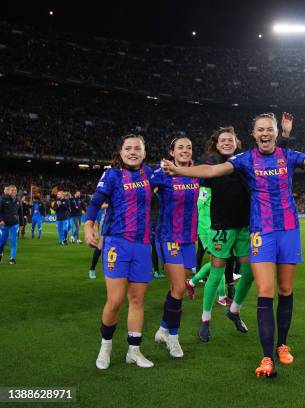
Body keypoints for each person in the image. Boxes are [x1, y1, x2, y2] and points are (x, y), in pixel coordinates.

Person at [161, 112, 305, 378]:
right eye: (260, 129)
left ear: (275, 133)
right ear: (253, 134)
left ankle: (282, 344)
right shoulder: (246, 159)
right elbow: (212, 170)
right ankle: (267, 357)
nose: (265, 133)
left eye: (269, 129)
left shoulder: (288, 155)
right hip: (262, 233)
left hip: (289, 230)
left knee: (285, 289)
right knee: (265, 292)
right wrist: (179, 170)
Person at [186, 115, 293, 343]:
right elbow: (196, 175)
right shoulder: (212, 164)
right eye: (223, 140)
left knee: (249, 273)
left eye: (231, 139)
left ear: (237, 142)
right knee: (216, 273)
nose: (227, 142)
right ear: (216, 144)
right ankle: (205, 320)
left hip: (247, 226)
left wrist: (284, 134)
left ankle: (234, 310)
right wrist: (179, 167)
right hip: (221, 227)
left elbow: (275, 153)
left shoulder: (246, 161)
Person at [84, 134, 156, 370]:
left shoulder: (153, 174)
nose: (133, 152)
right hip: (117, 243)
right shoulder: (112, 175)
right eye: (128, 148)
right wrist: (88, 226)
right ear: (121, 152)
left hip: (143, 244)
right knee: (115, 300)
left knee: (137, 299)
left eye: (138, 148)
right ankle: (106, 346)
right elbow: (95, 203)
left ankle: (133, 351)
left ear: (144, 153)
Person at [152, 137, 200, 359]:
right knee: (179, 287)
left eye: (188, 147)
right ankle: (173, 338)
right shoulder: (163, 173)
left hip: (189, 238)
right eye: (180, 147)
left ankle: (162, 328)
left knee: (177, 286)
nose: (185, 150)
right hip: (168, 236)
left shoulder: (197, 172)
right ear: (171, 152)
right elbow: (145, 187)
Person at [0, 185, 22, 264]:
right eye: (12, 190)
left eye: (15, 190)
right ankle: (0, 253)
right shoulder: (3, 199)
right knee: (3, 241)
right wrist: (1, 220)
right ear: (8, 191)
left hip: (14, 223)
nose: (14, 192)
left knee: (14, 241)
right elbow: (0, 211)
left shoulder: (18, 200)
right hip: (4, 224)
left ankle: (12, 258)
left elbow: (20, 212)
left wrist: (22, 224)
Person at [88, 203, 108, 279]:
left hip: (114, 233)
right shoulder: (101, 211)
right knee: (99, 249)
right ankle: (92, 269)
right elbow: (96, 223)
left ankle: (108, 271)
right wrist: (96, 233)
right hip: (103, 232)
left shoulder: (116, 209)